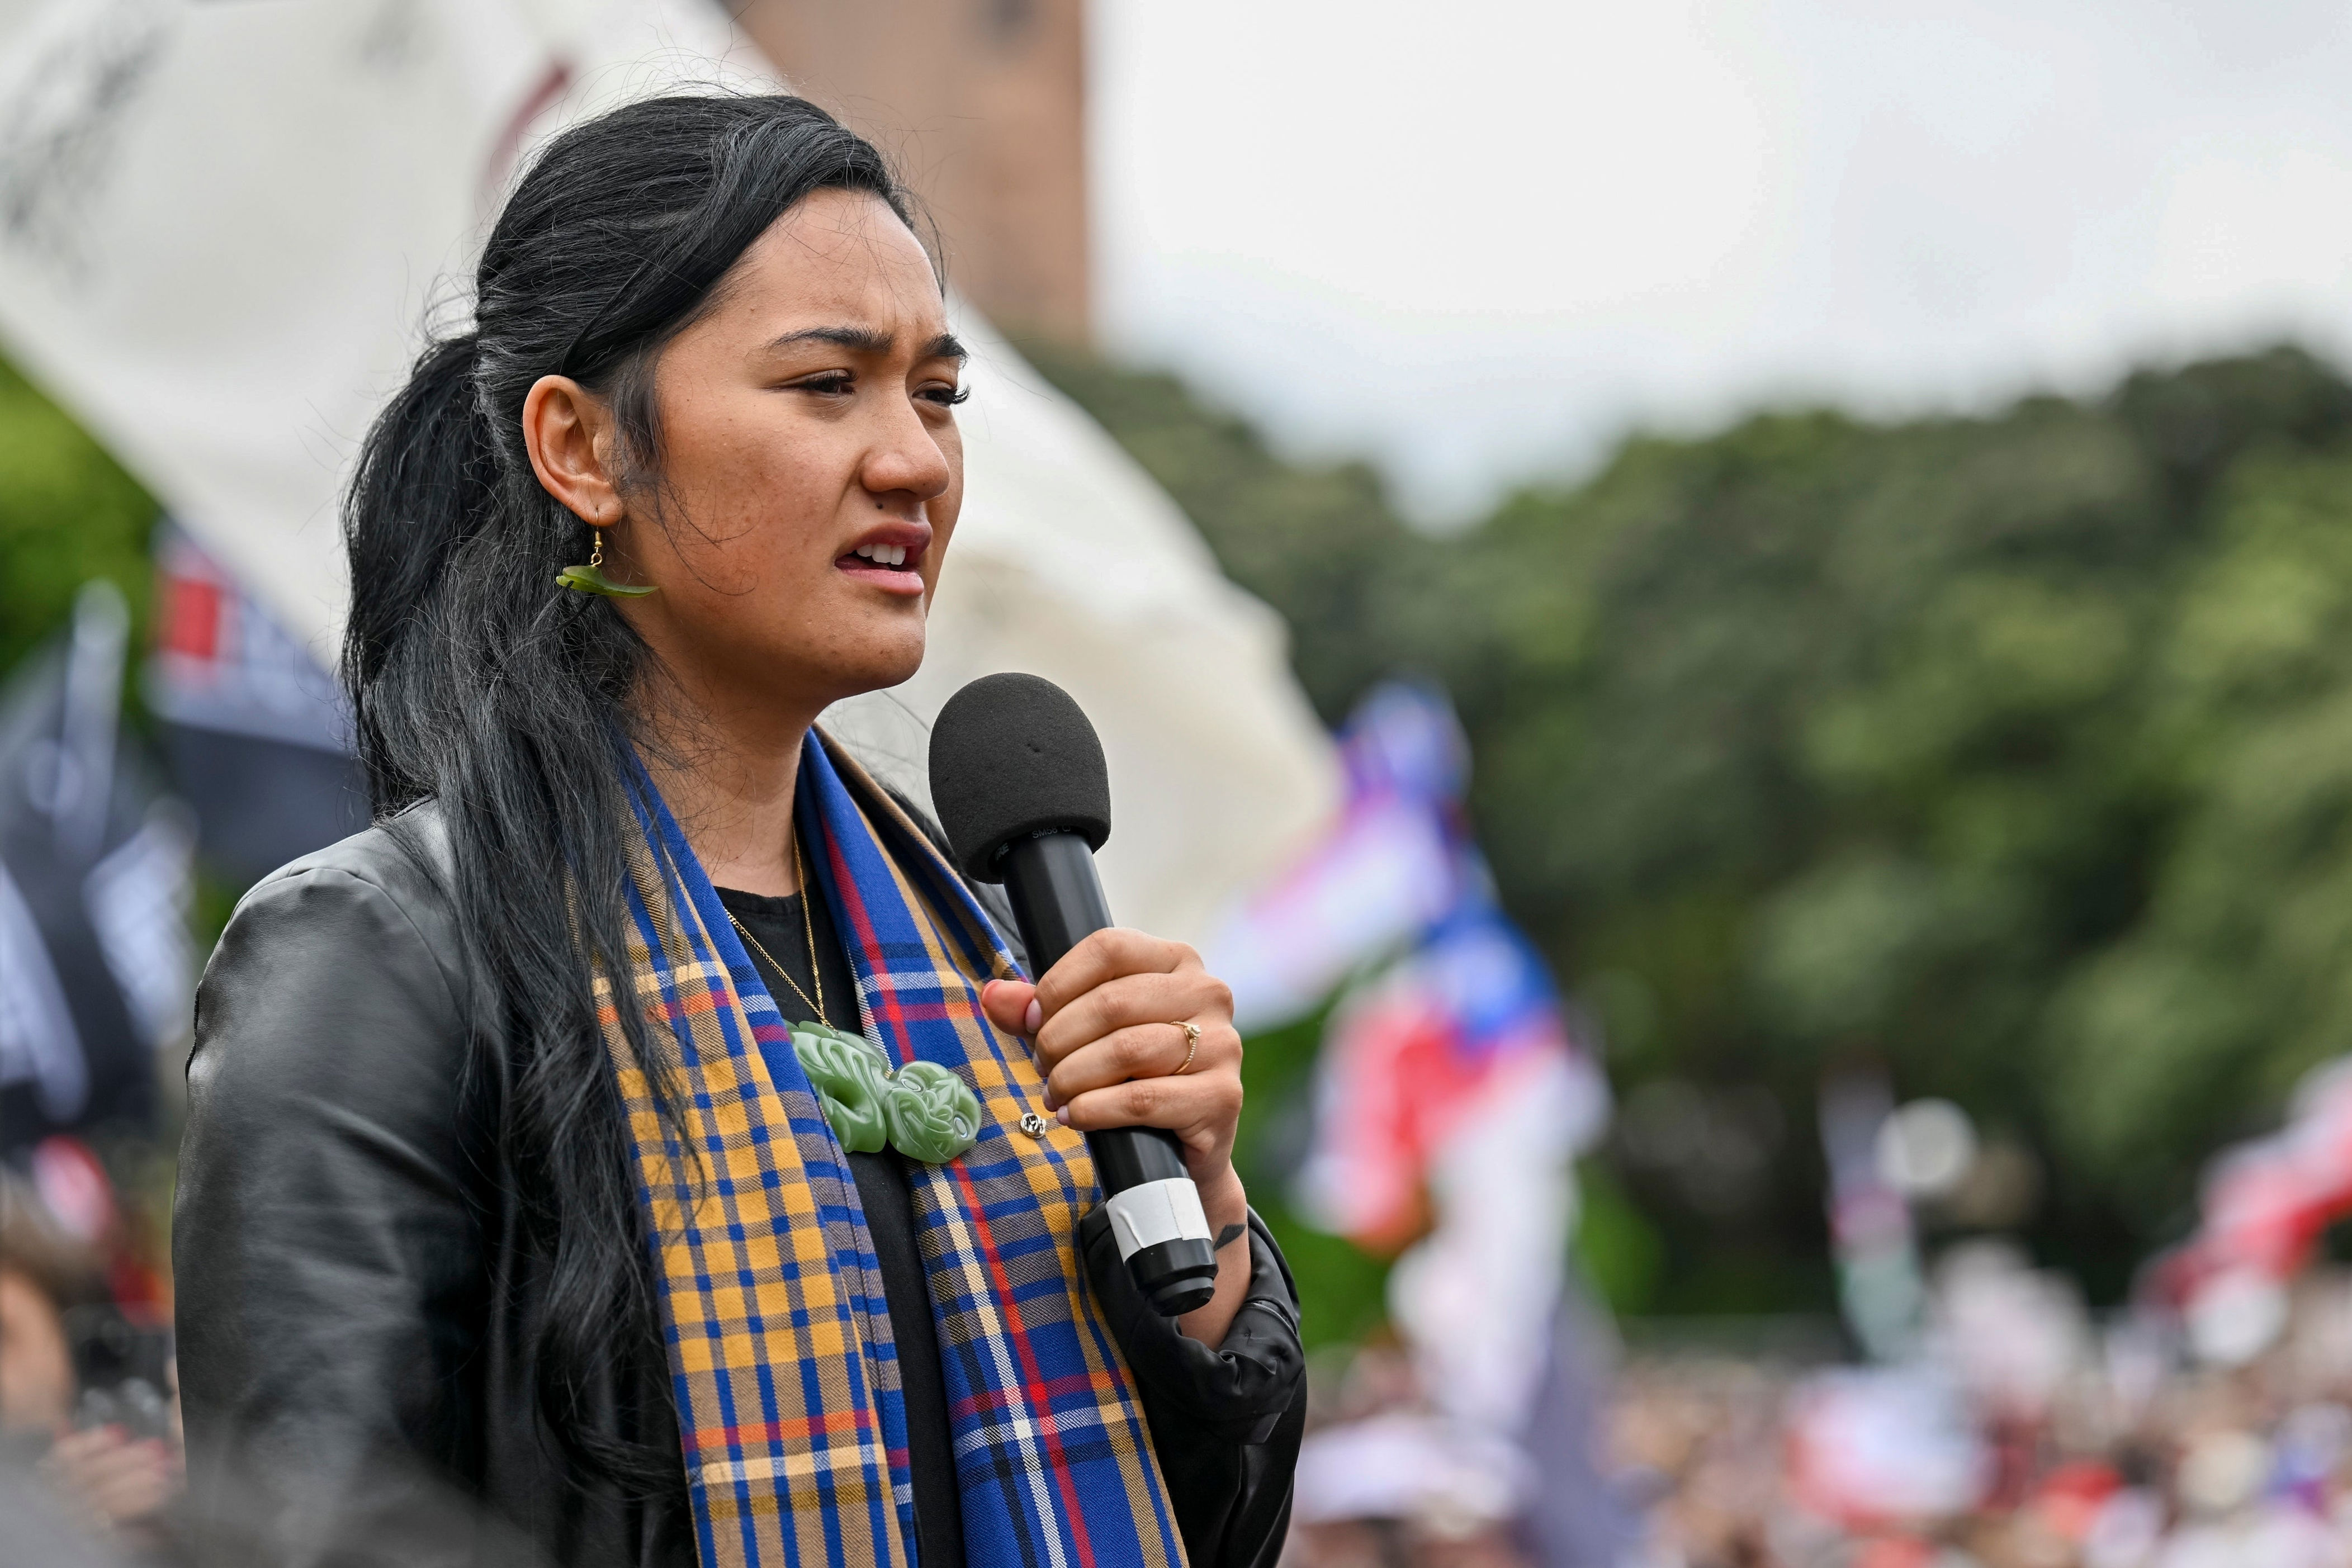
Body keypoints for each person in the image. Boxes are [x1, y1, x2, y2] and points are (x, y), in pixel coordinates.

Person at [171, 93, 1304, 1568]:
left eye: (938, 394)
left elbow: (1202, 1534)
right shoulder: (381, 962)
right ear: (582, 448)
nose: (915, 461)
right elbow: (309, 1533)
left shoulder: (1002, 969)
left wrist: (1200, 1210)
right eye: (828, 384)